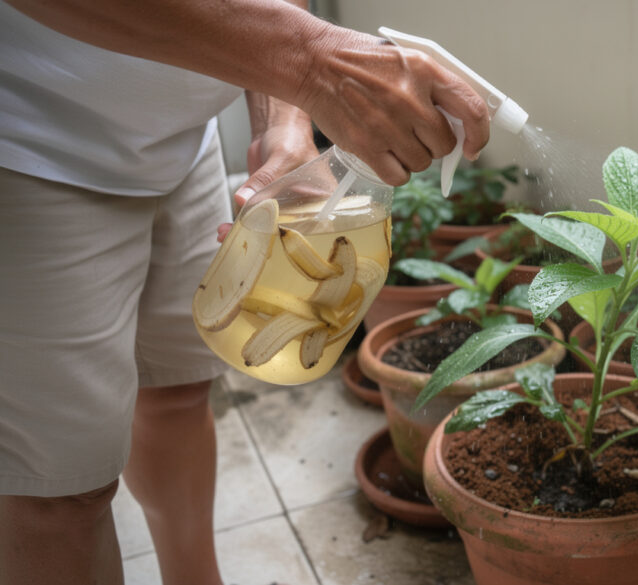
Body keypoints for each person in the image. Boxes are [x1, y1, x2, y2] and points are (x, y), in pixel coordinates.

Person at [0, 0, 490, 583]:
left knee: (179, 393)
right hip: (31, 147)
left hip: (181, 139)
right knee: (60, 492)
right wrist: (311, 63)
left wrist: (281, 124)